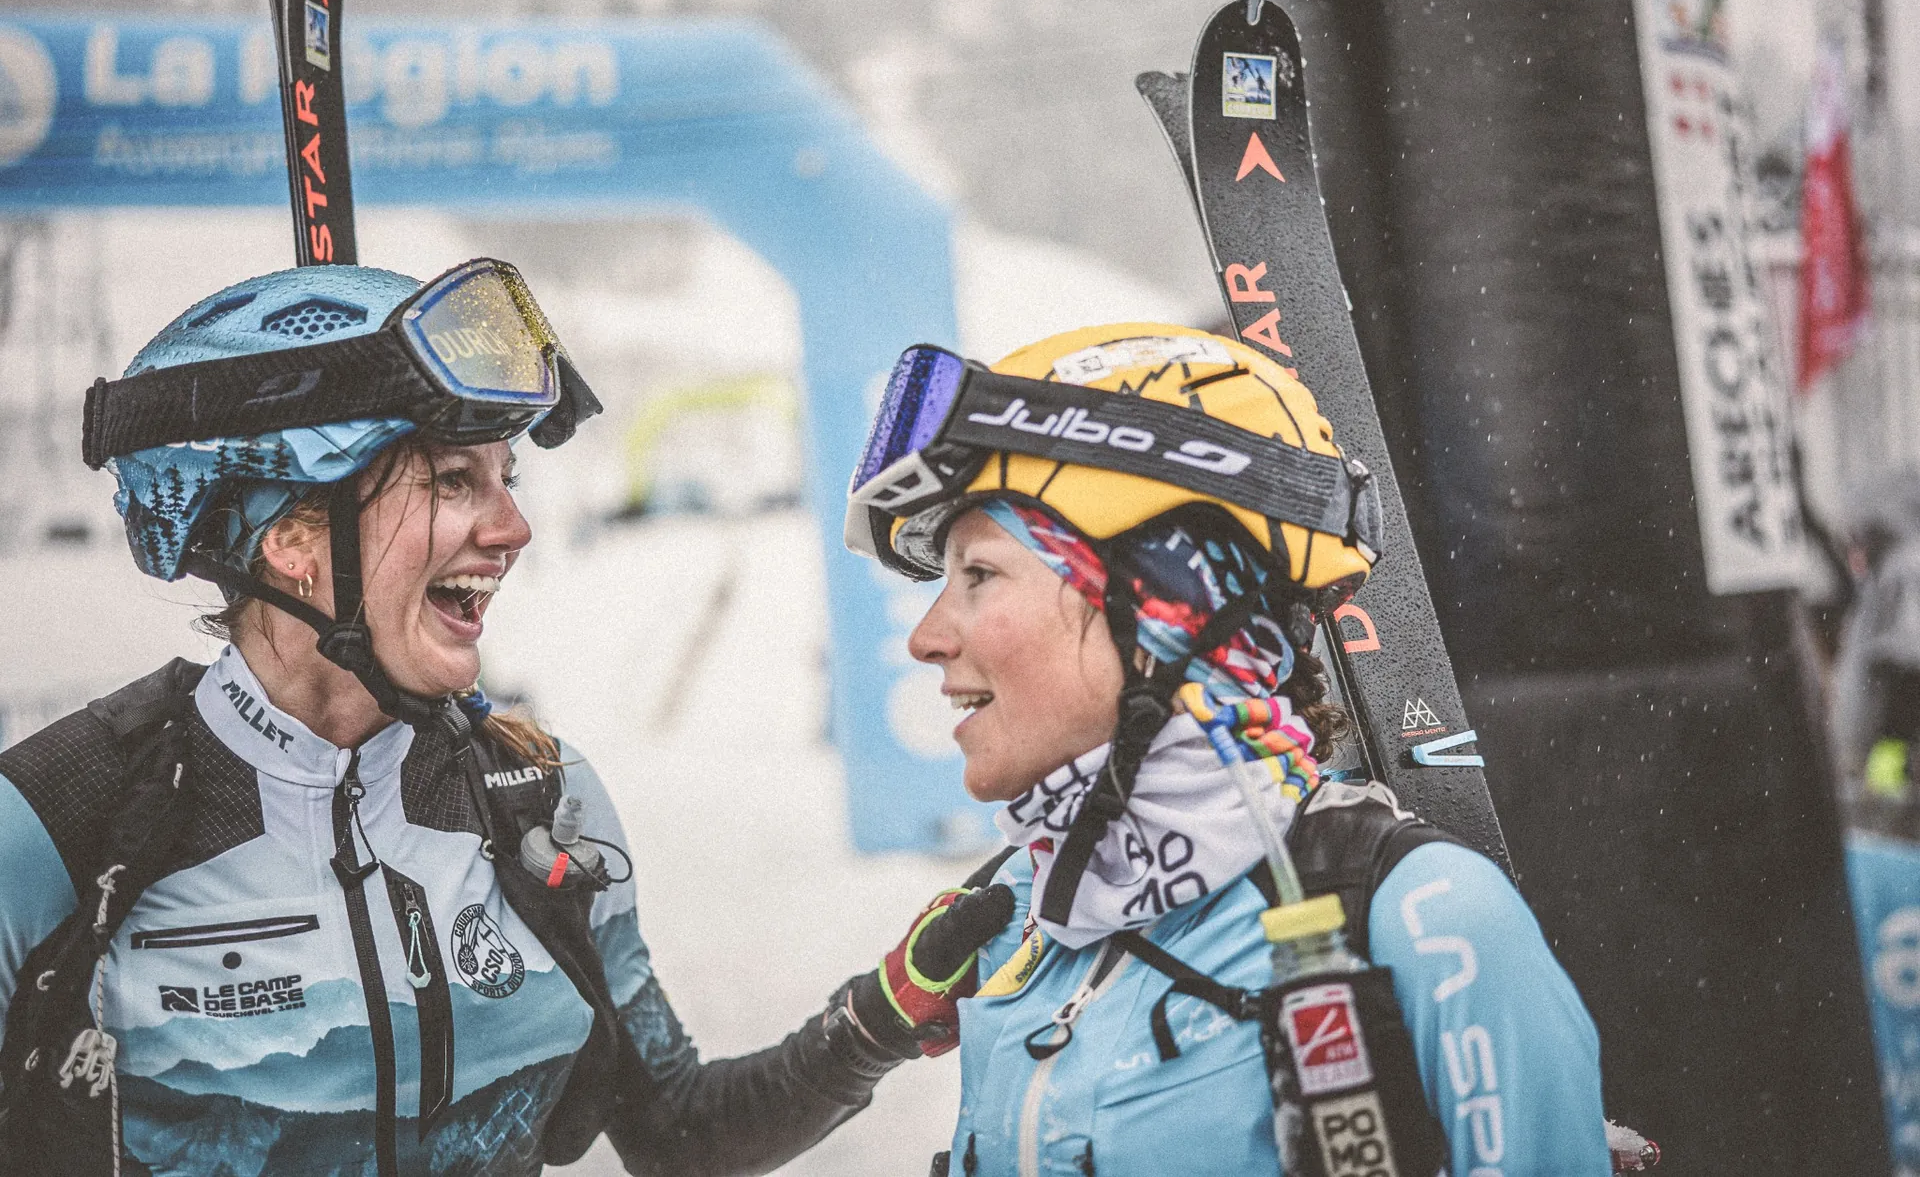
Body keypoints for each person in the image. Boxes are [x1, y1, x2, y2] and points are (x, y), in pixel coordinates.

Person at [0, 260, 1011, 1176]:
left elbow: (679, 1130)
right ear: (291, 536)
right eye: (453, 481)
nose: (513, 527)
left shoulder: (534, 798)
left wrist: (883, 1014)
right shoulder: (63, 821)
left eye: (506, 478)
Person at [844, 322, 1611, 1175]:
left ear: (1162, 607)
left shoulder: (1427, 919)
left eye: (978, 574)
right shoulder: (1021, 918)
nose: (925, 636)